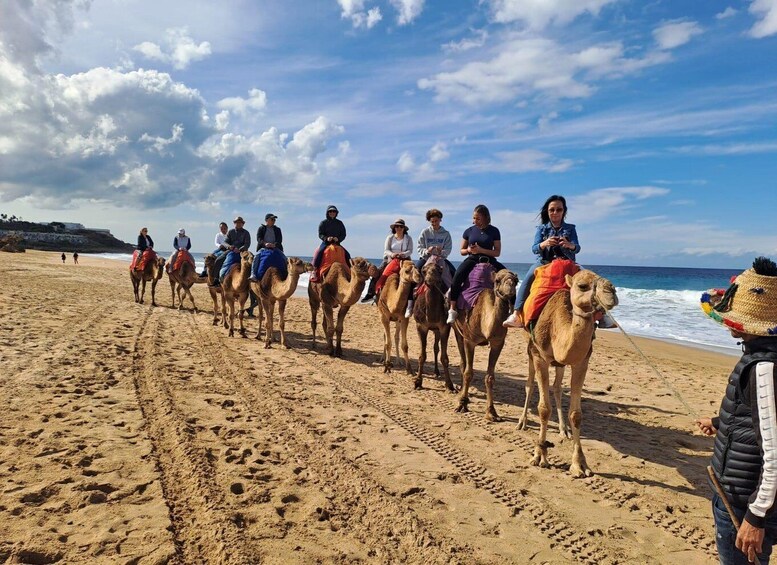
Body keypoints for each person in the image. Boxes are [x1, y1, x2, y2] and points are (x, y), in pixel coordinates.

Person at [696, 257, 777, 565]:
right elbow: (762, 416)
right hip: (742, 493)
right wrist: (720, 422)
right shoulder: (763, 356)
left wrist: (755, 517)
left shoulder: (764, 367)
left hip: (742, 501)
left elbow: (775, 452)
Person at [503, 195, 580, 329]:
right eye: (552, 210)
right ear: (547, 211)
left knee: (590, 278)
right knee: (528, 278)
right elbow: (534, 248)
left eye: (558, 209)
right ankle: (516, 313)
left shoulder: (571, 228)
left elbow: (577, 248)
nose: (555, 213)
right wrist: (544, 243)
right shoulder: (541, 228)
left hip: (566, 263)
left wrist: (569, 245)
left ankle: (602, 315)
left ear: (564, 211)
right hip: (544, 262)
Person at [446, 204, 506, 324]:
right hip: (472, 259)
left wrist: (481, 250)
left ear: (486, 217)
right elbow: (462, 251)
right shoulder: (469, 231)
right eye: (473, 218)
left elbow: (497, 252)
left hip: (490, 260)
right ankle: (452, 309)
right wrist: (469, 250)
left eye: (477, 218)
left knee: (509, 278)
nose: (474, 221)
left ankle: (511, 310)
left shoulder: (494, 231)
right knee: (457, 277)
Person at [361, 219, 413, 313]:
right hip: (390, 259)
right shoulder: (390, 238)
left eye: (401, 226)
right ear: (394, 228)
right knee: (378, 273)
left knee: (413, 276)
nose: (399, 228)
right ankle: (370, 294)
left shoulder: (408, 238)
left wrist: (403, 254)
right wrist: (393, 255)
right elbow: (386, 250)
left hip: (404, 259)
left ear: (404, 228)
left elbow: (410, 250)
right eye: (397, 226)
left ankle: (412, 300)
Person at [246, 213, 285, 314]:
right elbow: (258, 238)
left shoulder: (277, 229)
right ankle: (253, 274)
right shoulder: (261, 228)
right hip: (263, 247)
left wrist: (274, 245)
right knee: (256, 258)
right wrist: (265, 244)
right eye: (272, 219)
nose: (273, 221)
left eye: (274, 220)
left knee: (284, 258)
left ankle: (287, 275)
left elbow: (280, 240)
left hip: (275, 248)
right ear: (267, 220)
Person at [311, 205, 350, 280]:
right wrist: (326, 238)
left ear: (336, 213)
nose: (332, 213)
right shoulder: (323, 223)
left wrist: (338, 239)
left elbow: (343, 234)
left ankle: (350, 271)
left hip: (337, 243)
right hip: (326, 243)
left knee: (347, 255)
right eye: (330, 211)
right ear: (327, 213)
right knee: (319, 252)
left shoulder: (340, 223)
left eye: (334, 211)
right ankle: (314, 271)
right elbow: (320, 234)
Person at [211, 217, 251, 286]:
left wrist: (240, 249)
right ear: (234, 223)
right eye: (236, 222)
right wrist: (230, 247)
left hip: (242, 252)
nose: (238, 224)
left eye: (240, 222)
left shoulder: (246, 233)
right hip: (231, 250)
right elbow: (225, 242)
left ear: (242, 224)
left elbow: (247, 244)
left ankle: (251, 281)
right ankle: (216, 279)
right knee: (218, 260)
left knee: (251, 262)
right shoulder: (231, 232)